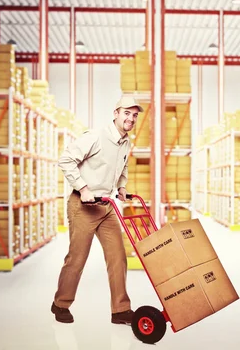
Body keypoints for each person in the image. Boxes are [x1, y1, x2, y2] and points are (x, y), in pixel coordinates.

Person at [50, 95, 144, 324]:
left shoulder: (126, 141)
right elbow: (66, 160)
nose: (130, 118)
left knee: (118, 258)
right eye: (126, 113)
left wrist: (121, 187)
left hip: (107, 206)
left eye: (134, 115)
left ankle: (120, 310)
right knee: (77, 259)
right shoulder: (95, 136)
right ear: (116, 113)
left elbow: (123, 166)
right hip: (83, 206)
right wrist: (83, 188)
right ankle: (60, 304)